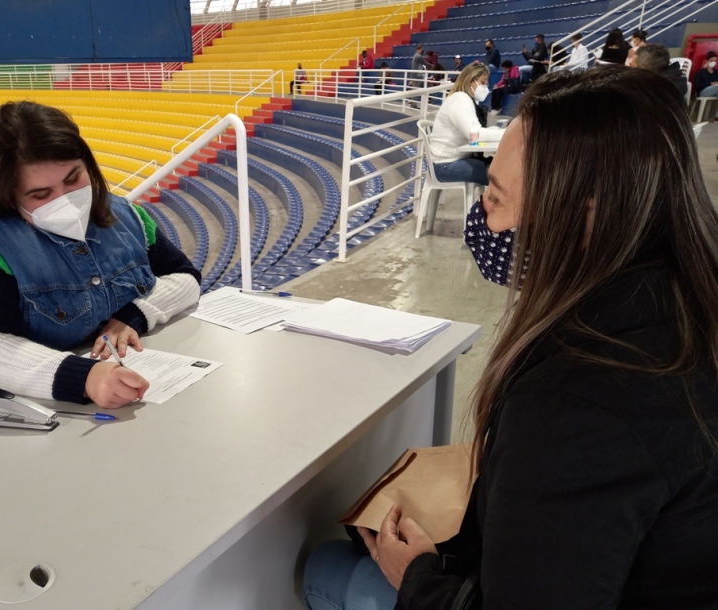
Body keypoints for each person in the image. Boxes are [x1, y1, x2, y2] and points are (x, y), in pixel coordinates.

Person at [303, 67, 718, 610]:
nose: (486, 221)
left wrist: (418, 577)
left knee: (326, 567)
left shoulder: (578, 400)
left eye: (496, 197)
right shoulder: (687, 300)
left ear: (580, 212)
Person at [0, 101, 201, 407]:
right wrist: (82, 377)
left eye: (73, 178)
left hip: (98, 379)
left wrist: (134, 315)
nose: (65, 199)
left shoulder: (126, 215)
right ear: (6, 195)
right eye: (41, 194)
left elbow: (185, 277)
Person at [424, 63, 490, 186]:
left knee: (500, 167)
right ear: (471, 81)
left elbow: (474, 134)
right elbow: (475, 135)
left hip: (451, 161)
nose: (485, 87)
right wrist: (507, 133)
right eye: (483, 82)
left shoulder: (463, 99)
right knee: (502, 174)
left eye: (487, 83)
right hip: (445, 165)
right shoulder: (460, 100)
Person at [693, 50, 718, 121]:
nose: (713, 62)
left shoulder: (717, 73)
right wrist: (710, 84)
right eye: (711, 60)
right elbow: (696, 86)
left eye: (715, 61)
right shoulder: (700, 73)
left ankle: (716, 117)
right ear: (707, 61)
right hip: (702, 92)